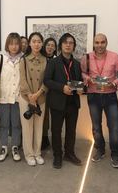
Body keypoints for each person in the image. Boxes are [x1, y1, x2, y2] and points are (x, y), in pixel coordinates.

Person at [81, 33, 118, 168]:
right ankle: (100, 149)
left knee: (114, 127)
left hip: (110, 96)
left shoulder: (115, 57)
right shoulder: (86, 57)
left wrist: (114, 84)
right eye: (97, 42)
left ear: (106, 42)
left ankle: (115, 153)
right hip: (93, 95)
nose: (99, 45)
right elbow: (82, 73)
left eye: (102, 42)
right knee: (96, 127)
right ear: (94, 43)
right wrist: (88, 79)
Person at [44, 33, 83, 169]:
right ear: (60, 45)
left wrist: (81, 88)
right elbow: (47, 80)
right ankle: (58, 155)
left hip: (73, 103)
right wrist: (62, 87)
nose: (68, 45)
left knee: (71, 131)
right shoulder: (53, 62)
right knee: (56, 131)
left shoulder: (77, 64)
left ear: (74, 46)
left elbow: (80, 81)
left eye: (71, 43)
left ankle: (70, 153)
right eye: (65, 42)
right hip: (57, 102)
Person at [19, 32, 47, 166]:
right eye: (34, 41)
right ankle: (29, 154)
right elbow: (22, 80)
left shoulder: (46, 60)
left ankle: (37, 153)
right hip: (26, 98)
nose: (36, 44)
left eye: (39, 41)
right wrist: (30, 96)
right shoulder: (23, 60)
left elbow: (47, 80)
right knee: (27, 128)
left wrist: (38, 94)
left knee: (39, 127)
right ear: (30, 43)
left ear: (42, 44)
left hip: (41, 98)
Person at [0, 33, 23, 162]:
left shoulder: (23, 59)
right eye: (11, 43)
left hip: (18, 98)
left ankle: (15, 147)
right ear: (7, 45)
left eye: (16, 43)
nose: (14, 46)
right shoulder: (0, 58)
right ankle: (4, 147)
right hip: (3, 98)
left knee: (16, 125)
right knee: (4, 124)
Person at [41, 37, 57, 150]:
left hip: (54, 92)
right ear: (44, 46)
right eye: (48, 45)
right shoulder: (40, 58)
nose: (50, 47)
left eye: (52, 45)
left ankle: (51, 139)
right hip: (41, 92)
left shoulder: (56, 60)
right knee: (43, 116)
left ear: (55, 48)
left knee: (54, 117)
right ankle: (43, 138)